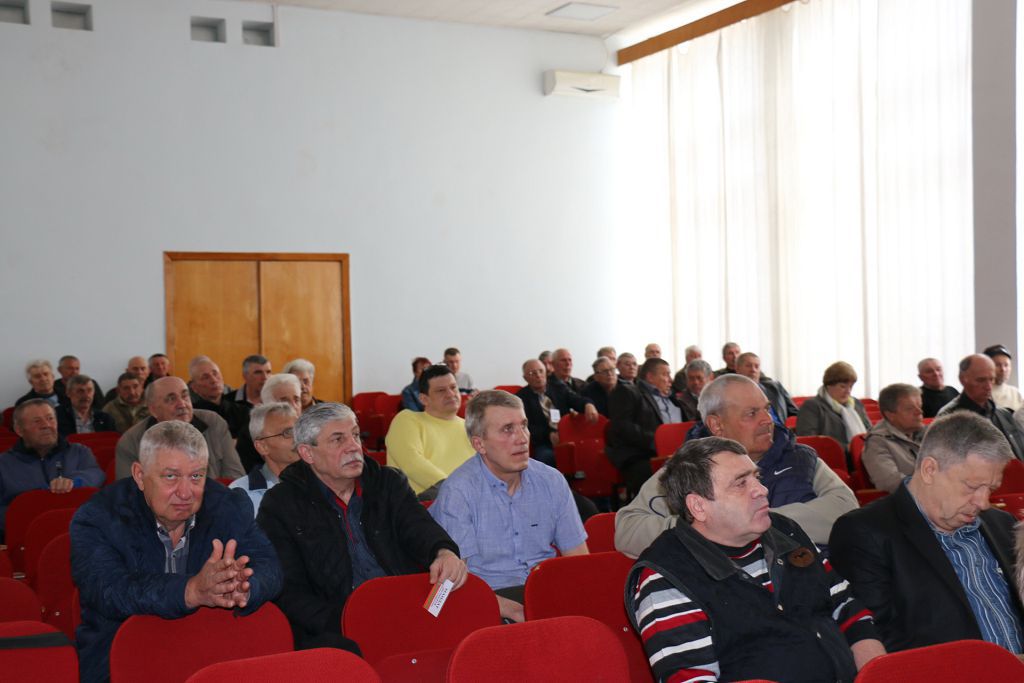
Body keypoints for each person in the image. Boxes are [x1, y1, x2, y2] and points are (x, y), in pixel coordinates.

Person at [626, 437, 884, 683]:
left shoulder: (785, 531)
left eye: (756, 478)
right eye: (741, 483)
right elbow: (692, 678)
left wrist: (875, 674)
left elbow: (848, 610)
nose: (762, 490)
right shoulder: (667, 578)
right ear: (698, 506)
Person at [71, 420, 282, 683]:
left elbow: (270, 566)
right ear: (139, 475)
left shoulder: (228, 505)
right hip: (123, 656)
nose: (185, 492)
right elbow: (110, 591)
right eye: (170, 476)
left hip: (209, 651)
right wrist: (190, 591)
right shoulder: (98, 518)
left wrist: (244, 586)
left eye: (196, 476)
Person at [256, 403, 467, 649]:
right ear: (307, 453)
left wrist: (444, 552)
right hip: (334, 625)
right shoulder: (281, 504)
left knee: (465, 637)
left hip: (404, 609)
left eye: (355, 435)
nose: (354, 447)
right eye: (338, 439)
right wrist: (346, 622)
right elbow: (289, 589)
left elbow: (420, 528)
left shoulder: (387, 483)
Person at [829, 412, 1024, 653]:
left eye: (991, 489)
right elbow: (878, 639)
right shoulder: (865, 533)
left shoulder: (1003, 524)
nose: (984, 503)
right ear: (930, 469)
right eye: (972, 486)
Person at [615, 374, 858, 557]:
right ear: (717, 425)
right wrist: (708, 529)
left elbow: (846, 513)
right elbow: (629, 530)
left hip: (809, 580)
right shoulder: (686, 468)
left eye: (767, 409)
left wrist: (757, 522)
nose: (767, 420)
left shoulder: (799, 458)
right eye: (752, 413)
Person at [429, 391, 588, 623]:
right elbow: (454, 581)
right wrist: (511, 609)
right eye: (507, 429)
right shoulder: (459, 491)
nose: (522, 438)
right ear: (479, 444)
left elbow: (578, 560)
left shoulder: (551, 480)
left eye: (524, 425)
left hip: (545, 590)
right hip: (490, 598)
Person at [0, 399, 105, 540]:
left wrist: (74, 481)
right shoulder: (3, 464)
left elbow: (96, 474)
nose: (46, 425)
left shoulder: (79, 452)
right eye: (37, 421)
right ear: (19, 430)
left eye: (50, 418)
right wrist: (34, 506)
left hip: (79, 532)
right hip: (26, 537)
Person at [116, 377, 244, 480]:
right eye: (171, 399)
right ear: (153, 410)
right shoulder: (131, 441)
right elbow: (129, 493)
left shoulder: (213, 422)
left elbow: (235, 476)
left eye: (185, 396)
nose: (182, 404)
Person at [384, 364, 475, 499]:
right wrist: (455, 489)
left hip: (468, 498)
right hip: (424, 502)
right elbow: (412, 463)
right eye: (441, 390)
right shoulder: (407, 420)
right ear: (424, 399)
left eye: (453, 387)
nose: (450, 394)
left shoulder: (470, 427)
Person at [607, 357, 683, 496]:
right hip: (641, 454)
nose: (670, 379)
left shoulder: (673, 398)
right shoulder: (627, 392)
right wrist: (656, 442)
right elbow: (622, 427)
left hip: (673, 452)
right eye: (665, 374)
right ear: (650, 377)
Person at [938, 354, 1024, 461]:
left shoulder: (1004, 415)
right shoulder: (948, 418)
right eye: (981, 380)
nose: (988, 386)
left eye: (991, 379)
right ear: (963, 379)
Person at [516, 359, 597, 467]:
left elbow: (576, 400)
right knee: (546, 457)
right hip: (544, 442)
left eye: (541, 371)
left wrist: (588, 404)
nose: (538, 375)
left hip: (568, 435)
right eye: (532, 373)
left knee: (588, 450)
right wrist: (548, 435)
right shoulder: (521, 398)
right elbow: (525, 426)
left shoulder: (558, 388)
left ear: (546, 372)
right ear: (525, 378)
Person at [230, 402, 299, 514]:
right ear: (262, 447)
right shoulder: (241, 494)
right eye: (287, 432)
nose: (298, 438)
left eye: (299, 429)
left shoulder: (322, 481)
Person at [861, 383, 925, 493]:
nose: (919, 412)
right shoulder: (877, 442)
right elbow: (890, 483)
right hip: (912, 499)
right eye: (909, 409)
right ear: (890, 415)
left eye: (920, 406)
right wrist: (935, 486)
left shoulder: (928, 433)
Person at [795, 361, 871, 447]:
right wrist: (849, 448)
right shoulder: (812, 407)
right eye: (843, 386)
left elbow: (871, 432)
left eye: (851, 386)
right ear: (829, 385)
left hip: (863, 452)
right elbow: (810, 442)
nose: (848, 391)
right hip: (829, 454)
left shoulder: (856, 404)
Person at [188, 356, 249, 438]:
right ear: (194, 387)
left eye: (215, 373)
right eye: (205, 377)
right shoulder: (193, 415)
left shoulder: (242, 411)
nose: (214, 380)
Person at [734, 352, 799, 423]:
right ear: (737, 369)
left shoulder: (775, 387)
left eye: (757, 366)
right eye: (748, 366)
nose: (753, 370)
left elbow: (795, 412)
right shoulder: (731, 394)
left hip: (781, 428)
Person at [985, 344, 1023, 412]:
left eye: (1006, 365)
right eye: (997, 365)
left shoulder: (1015, 393)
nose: (1003, 369)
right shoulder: (980, 391)